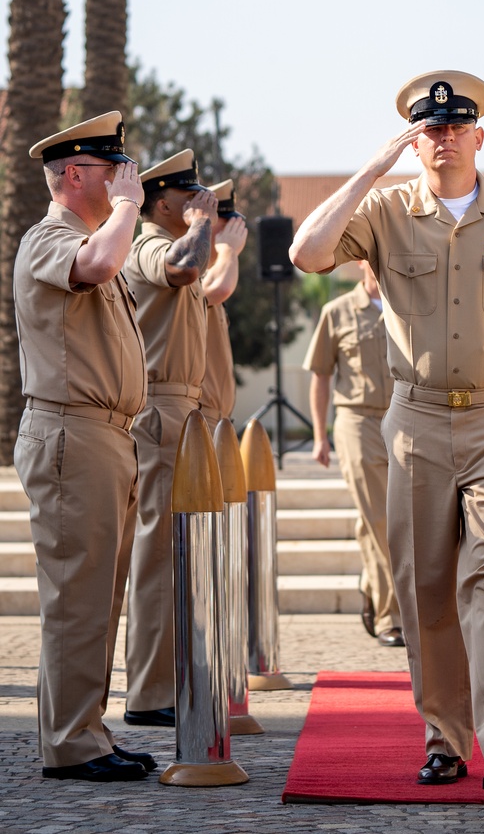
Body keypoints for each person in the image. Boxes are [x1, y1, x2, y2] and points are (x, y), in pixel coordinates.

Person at [290, 71, 484, 793]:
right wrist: (372, 168)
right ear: (416, 141)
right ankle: (445, 740)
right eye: (430, 128)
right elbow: (306, 252)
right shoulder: (385, 211)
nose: (443, 137)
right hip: (416, 421)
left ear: (479, 137)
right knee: (425, 587)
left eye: (456, 127)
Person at [13, 112, 154, 781]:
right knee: (76, 597)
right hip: (72, 433)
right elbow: (97, 265)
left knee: (98, 596)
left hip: (103, 435)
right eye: (112, 169)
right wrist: (127, 206)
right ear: (74, 176)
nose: (126, 180)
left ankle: (86, 731)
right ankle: (71, 743)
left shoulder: (94, 235)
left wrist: (121, 206)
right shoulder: (50, 238)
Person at [123, 151, 218, 727]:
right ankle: (149, 692)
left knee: (175, 555)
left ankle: (166, 681)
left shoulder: (172, 238)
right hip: (159, 408)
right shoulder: (152, 243)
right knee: (158, 555)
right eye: (189, 197)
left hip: (181, 407)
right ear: (162, 203)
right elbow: (182, 268)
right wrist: (204, 224)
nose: (199, 203)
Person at [304, 261, 403, 646]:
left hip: (405, 420)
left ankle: (370, 583)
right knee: (378, 519)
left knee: (392, 520)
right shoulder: (338, 311)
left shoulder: (411, 309)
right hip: (357, 422)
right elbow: (321, 375)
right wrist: (319, 435)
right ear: (362, 262)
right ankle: (389, 618)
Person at [199, 179, 248, 428]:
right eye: (225, 223)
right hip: (197, 414)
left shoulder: (210, 272)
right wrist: (228, 250)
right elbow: (218, 289)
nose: (233, 229)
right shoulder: (189, 274)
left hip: (215, 415)